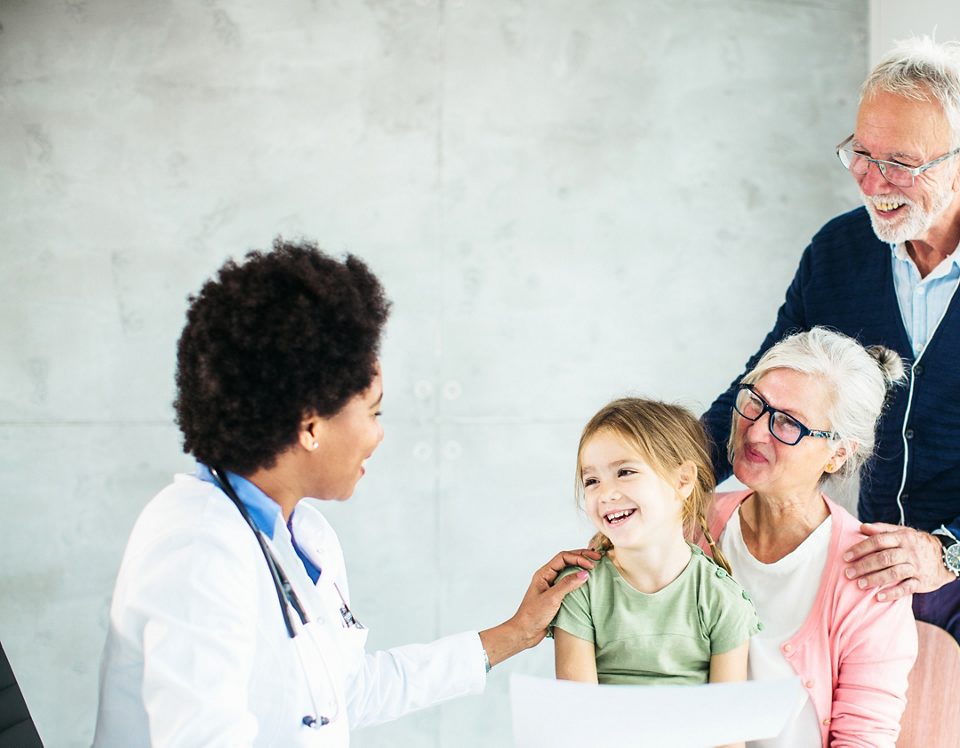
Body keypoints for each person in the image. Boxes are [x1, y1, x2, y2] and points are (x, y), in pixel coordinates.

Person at [703, 37, 960, 746]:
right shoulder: (839, 252)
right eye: (861, 152)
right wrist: (662, 487)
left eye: (901, 163)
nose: (871, 180)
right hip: (877, 568)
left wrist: (951, 550)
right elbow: (760, 389)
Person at [92, 239, 598, 746]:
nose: (379, 434)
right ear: (310, 424)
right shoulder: (197, 544)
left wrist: (516, 633)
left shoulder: (304, 535)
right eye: (373, 412)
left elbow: (344, 695)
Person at [703, 327, 917, 747]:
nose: (757, 431)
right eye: (756, 403)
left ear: (838, 452)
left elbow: (863, 740)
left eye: (788, 423)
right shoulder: (693, 527)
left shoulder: (869, 580)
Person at [552, 398, 760, 693]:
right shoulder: (579, 588)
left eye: (625, 472)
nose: (606, 494)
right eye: (592, 480)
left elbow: (726, 735)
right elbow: (579, 721)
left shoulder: (721, 598)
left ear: (683, 480)